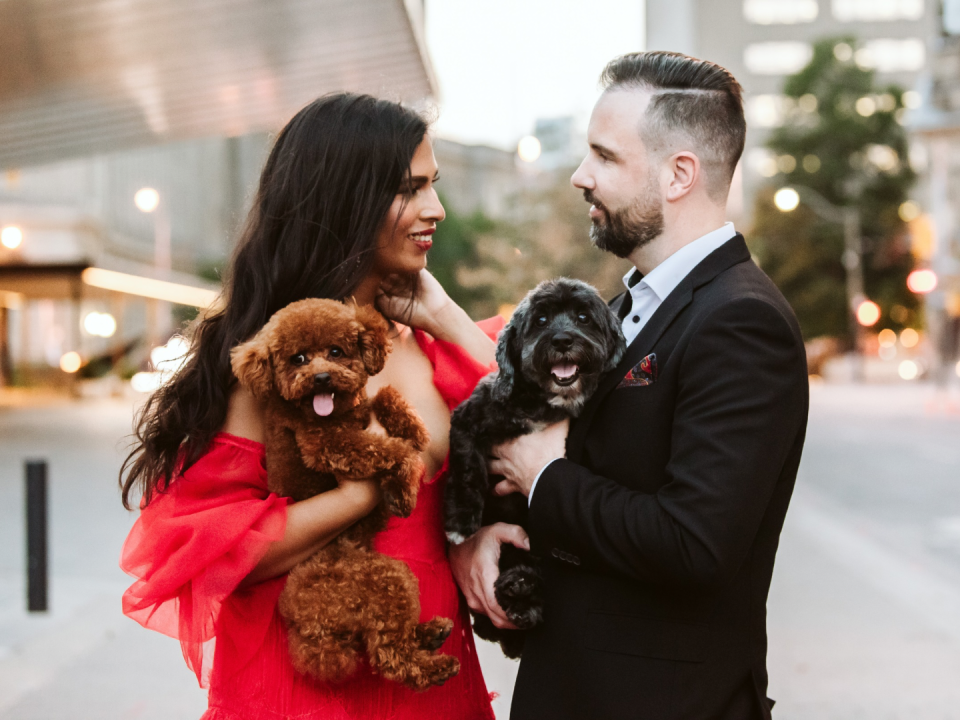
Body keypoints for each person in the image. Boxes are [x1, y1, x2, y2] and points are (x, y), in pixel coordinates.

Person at [450, 51, 809, 720]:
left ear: (679, 175)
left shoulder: (741, 320)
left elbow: (695, 544)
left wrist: (545, 480)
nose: (581, 176)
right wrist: (496, 533)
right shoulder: (619, 314)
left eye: (605, 157)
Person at [119, 93, 501, 720]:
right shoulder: (274, 359)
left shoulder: (432, 345)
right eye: (411, 189)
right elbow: (218, 550)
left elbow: (538, 429)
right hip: (305, 685)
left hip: (426, 671)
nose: (436, 209)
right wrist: (357, 495)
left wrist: (451, 321)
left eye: (434, 185)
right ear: (346, 199)